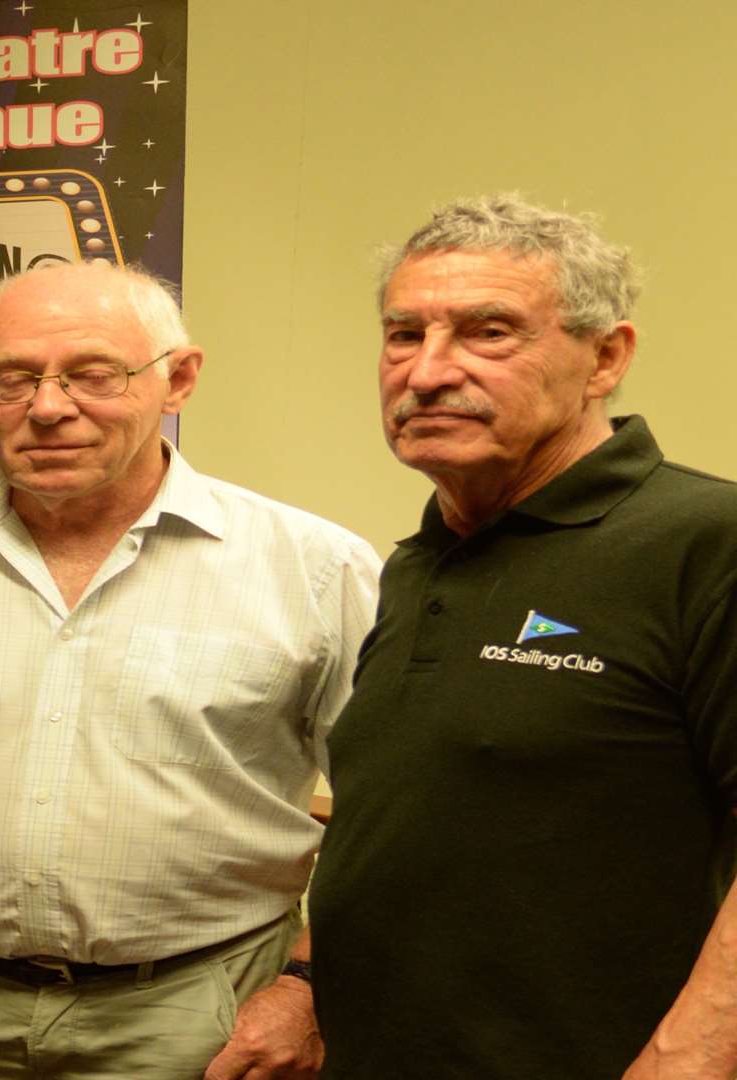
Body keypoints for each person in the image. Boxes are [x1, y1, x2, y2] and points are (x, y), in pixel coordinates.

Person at [0, 259, 380, 1080]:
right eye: (12, 379)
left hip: (206, 1020)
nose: (49, 408)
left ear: (179, 379)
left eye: (94, 373)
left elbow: (392, 811)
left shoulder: (316, 570)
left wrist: (305, 986)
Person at [310, 195, 737, 1078]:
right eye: (403, 335)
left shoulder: (708, 542)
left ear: (605, 358)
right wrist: (301, 983)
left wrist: (692, 1057)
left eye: (487, 332)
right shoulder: (419, 561)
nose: (426, 373)